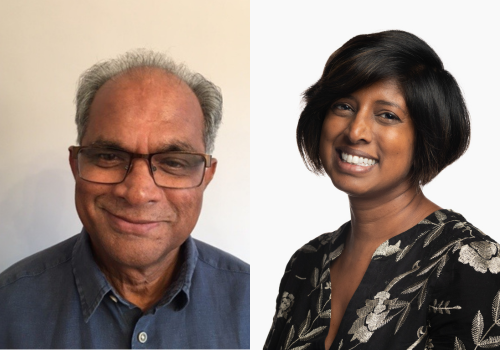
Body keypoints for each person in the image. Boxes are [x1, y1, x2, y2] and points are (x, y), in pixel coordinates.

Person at [264, 30, 500, 350]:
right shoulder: (306, 262)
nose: (356, 131)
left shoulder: (468, 263)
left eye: (387, 115)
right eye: (344, 106)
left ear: (426, 136)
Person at [0, 50, 250, 349]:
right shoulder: (8, 306)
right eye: (109, 156)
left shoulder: (260, 302)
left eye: (174, 162)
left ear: (206, 177)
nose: (138, 193)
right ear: (76, 166)